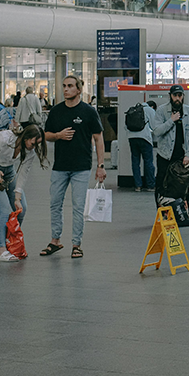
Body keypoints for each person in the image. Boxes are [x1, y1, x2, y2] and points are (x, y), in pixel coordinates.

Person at [40, 75, 105, 259]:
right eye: (64, 86)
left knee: (78, 206)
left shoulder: (88, 112)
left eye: (70, 86)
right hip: (60, 166)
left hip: (81, 167)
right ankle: (55, 241)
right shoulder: (56, 111)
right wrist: (58, 135)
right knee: (55, 204)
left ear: (78, 89)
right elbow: (46, 135)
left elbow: (99, 139)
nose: (65, 89)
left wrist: (101, 165)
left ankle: (76, 244)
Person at [0, 125, 47, 262]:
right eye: (33, 143)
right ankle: (1, 250)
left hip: (8, 172)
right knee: (4, 210)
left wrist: (17, 197)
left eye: (37, 144)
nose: (34, 147)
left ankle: (11, 242)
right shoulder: (3, 139)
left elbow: (23, 174)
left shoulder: (30, 152)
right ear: (26, 137)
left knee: (21, 209)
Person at [152, 85, 189, 222]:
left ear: (183, 96)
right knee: (162, 185)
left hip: (182, 156)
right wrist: (171, 121)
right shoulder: (161, 111)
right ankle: (162, 215)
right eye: (175, 95)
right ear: (170, 96)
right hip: (165, 155)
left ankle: (185, 214)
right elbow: (157, 131)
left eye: (180, 95)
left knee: (184, 186)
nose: (177, 98)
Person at [127, 99, 157, 192]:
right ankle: (150, 185)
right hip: (145, 138)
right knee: (148, 161)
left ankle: (138, 186)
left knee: (135, 162)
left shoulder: (133, 109)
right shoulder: (150, 110)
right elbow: (154, 125)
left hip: (132, 138)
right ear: (152, 107)